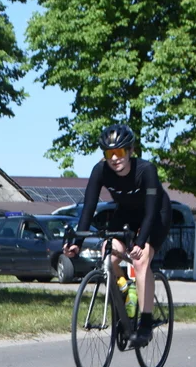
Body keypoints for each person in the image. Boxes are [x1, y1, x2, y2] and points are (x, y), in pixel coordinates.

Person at [63, 123, 171, 346]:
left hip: (156, 214)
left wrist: (141, 242)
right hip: (126, 213)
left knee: (141, 261)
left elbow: (150, 212)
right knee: (107, 252)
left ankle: (145, 323)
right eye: (109, 153)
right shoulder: (100, 171)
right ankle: (125, 288)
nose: (114, 158)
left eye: (119, 152)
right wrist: (77, 242)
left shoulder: (146, 170)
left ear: (130, 151)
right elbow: (89, 207)